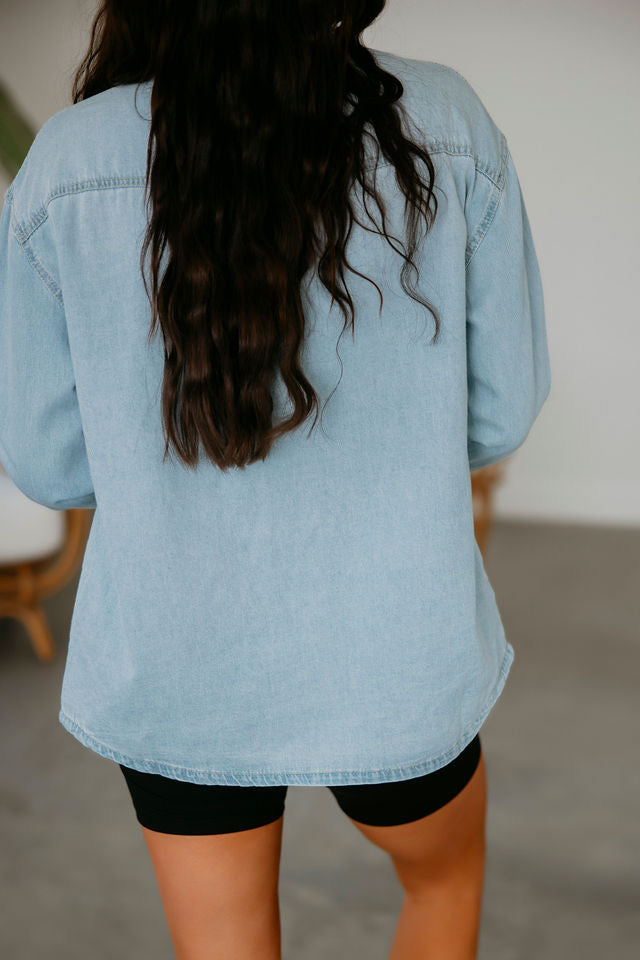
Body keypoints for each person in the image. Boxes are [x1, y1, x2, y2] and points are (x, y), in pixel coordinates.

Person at [0, 2, 551, 958]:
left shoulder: (70, 159)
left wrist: (162, 472)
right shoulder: (446, 122)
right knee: (443, 881)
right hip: (396, 657)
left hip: (181, 659)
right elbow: (500, 412)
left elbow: (47, 462)